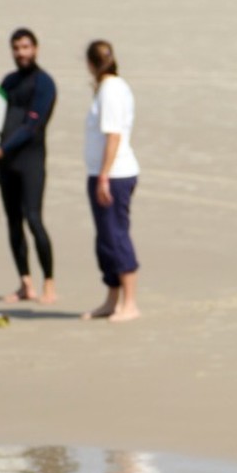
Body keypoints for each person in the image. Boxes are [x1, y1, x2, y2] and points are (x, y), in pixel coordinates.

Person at [0, 27, 58, 305]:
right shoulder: (8, 82)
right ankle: (25, 284)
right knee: (13, 223)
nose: (21, 53)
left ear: (35, 49)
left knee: (33, 219)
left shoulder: (44, 83)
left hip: (30, 162)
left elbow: (32, 126)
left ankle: (49, 283)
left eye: (25, 47)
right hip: (6, 164)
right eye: (16, 48)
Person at [82, 39, 140, 322]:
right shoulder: (107, 88)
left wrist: (104, 176)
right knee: (104, 238)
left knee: (116, 235)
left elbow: (113, 135)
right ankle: (112, 299)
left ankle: (130, 303)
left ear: (90, 64)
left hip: (115, 175)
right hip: (102, 173)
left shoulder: (112, 90)